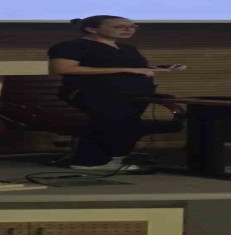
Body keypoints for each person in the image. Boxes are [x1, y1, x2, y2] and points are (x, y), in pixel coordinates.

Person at [48, 15, 184, 172]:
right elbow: (62, 68)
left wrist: (159, 68)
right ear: (91, 29)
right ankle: (88, 161)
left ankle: (112, 160)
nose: (128, 30)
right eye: (120, 27)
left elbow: (133, 69)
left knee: (131, 125)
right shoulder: (71, 46)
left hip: (133, 96)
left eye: (133, 27)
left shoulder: (128, 49)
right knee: (111, 122)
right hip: (92, 94)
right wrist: (125, 69)